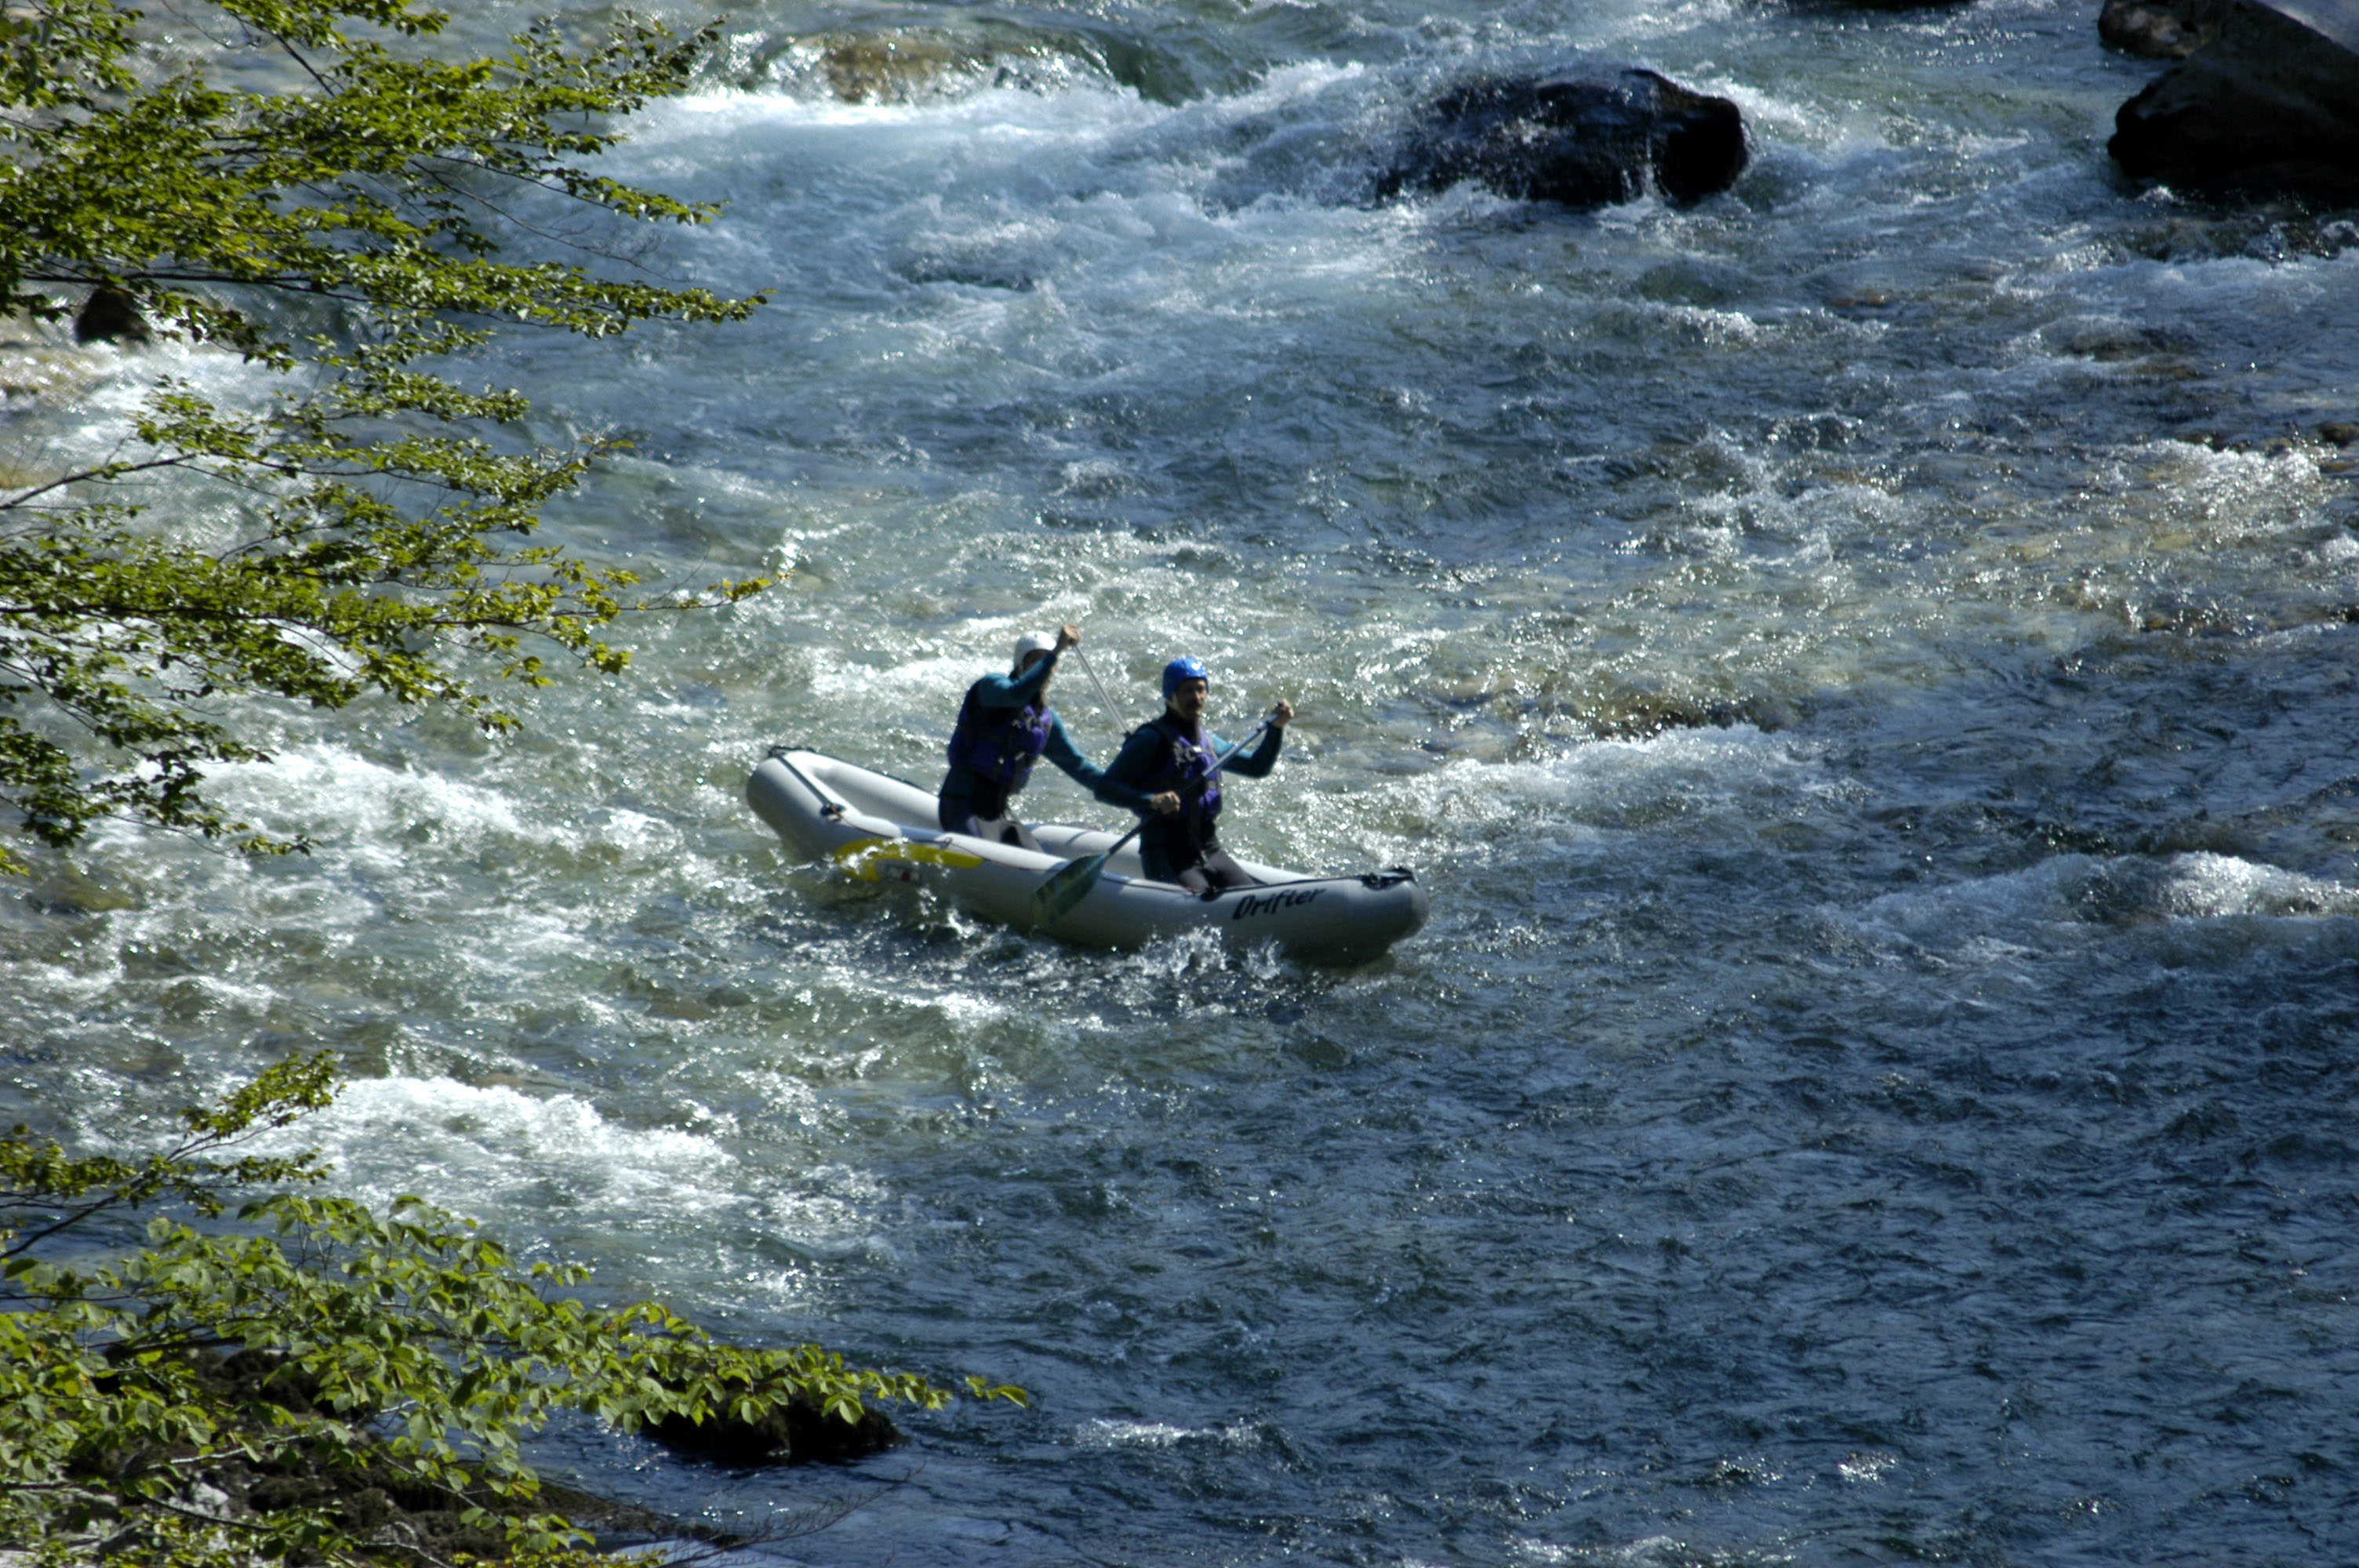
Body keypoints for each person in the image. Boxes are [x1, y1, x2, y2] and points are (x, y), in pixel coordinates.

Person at [939, 626, 1179, 851]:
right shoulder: (991, 688)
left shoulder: (1045, 721)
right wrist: (1056, 652)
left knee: (1035, 864)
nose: (1042, 667)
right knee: (992, 859)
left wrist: (1148, 800)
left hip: (998, 812)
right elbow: (1016, 694)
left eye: (1046, 662)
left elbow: (1083, 771)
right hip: (962, 802)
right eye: (1035, 661)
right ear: (1020, 664)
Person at [1103, 655, 1295, 896]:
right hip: (1166, 853)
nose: (1197, 697)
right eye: (1187, 691)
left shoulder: (1209, 743)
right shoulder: (1150, 739)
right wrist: (1151, 800)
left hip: (1210, 851)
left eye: (1201, 689)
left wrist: (1276, 729)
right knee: (1204, 902)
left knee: (1255, 897)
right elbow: (1105, 788)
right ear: (1170, 695)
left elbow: (1257, 767)